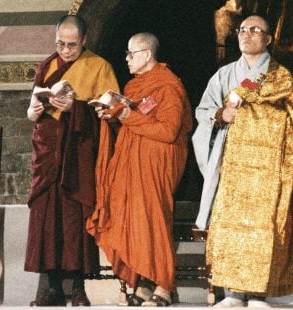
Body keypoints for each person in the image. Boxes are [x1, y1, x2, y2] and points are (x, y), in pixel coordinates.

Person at [191, 15, 293, 307]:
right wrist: (221, 115)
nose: (247, 35)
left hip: (267, 170)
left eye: (255, 30)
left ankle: (259, 293)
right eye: (242, 30)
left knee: (262, 228)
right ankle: (232, 293)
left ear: (268, 39)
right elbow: (203, 110)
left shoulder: (280, 77)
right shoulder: (224, 75)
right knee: (231, 227)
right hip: (232, 167)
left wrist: (247, 114)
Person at [87, 32, 191, 307]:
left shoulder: (169, 86)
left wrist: (126, 116)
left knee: (154, 221)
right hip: (132, 162)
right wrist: (112, 117)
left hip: (156, 165)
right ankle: (143, 283)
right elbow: (132, 126)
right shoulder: (133, 87)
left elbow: (168, 131)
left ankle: (165, 286)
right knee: (133, 222)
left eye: (131, 54)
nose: (127, 59)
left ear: (147, 54)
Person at [25, 15, 119, 307]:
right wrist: (36, 107)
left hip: (77, 150)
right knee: (46, 216)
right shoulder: (47, 65)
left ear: (85, 41)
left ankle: (76, 288)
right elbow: (32, 112)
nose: (65, 51)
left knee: (73, 218)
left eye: (72, 45)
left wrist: (75, 107)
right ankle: (49, 287)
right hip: (48, 148)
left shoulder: (99, 66)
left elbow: (113, 111)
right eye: (60, 44)